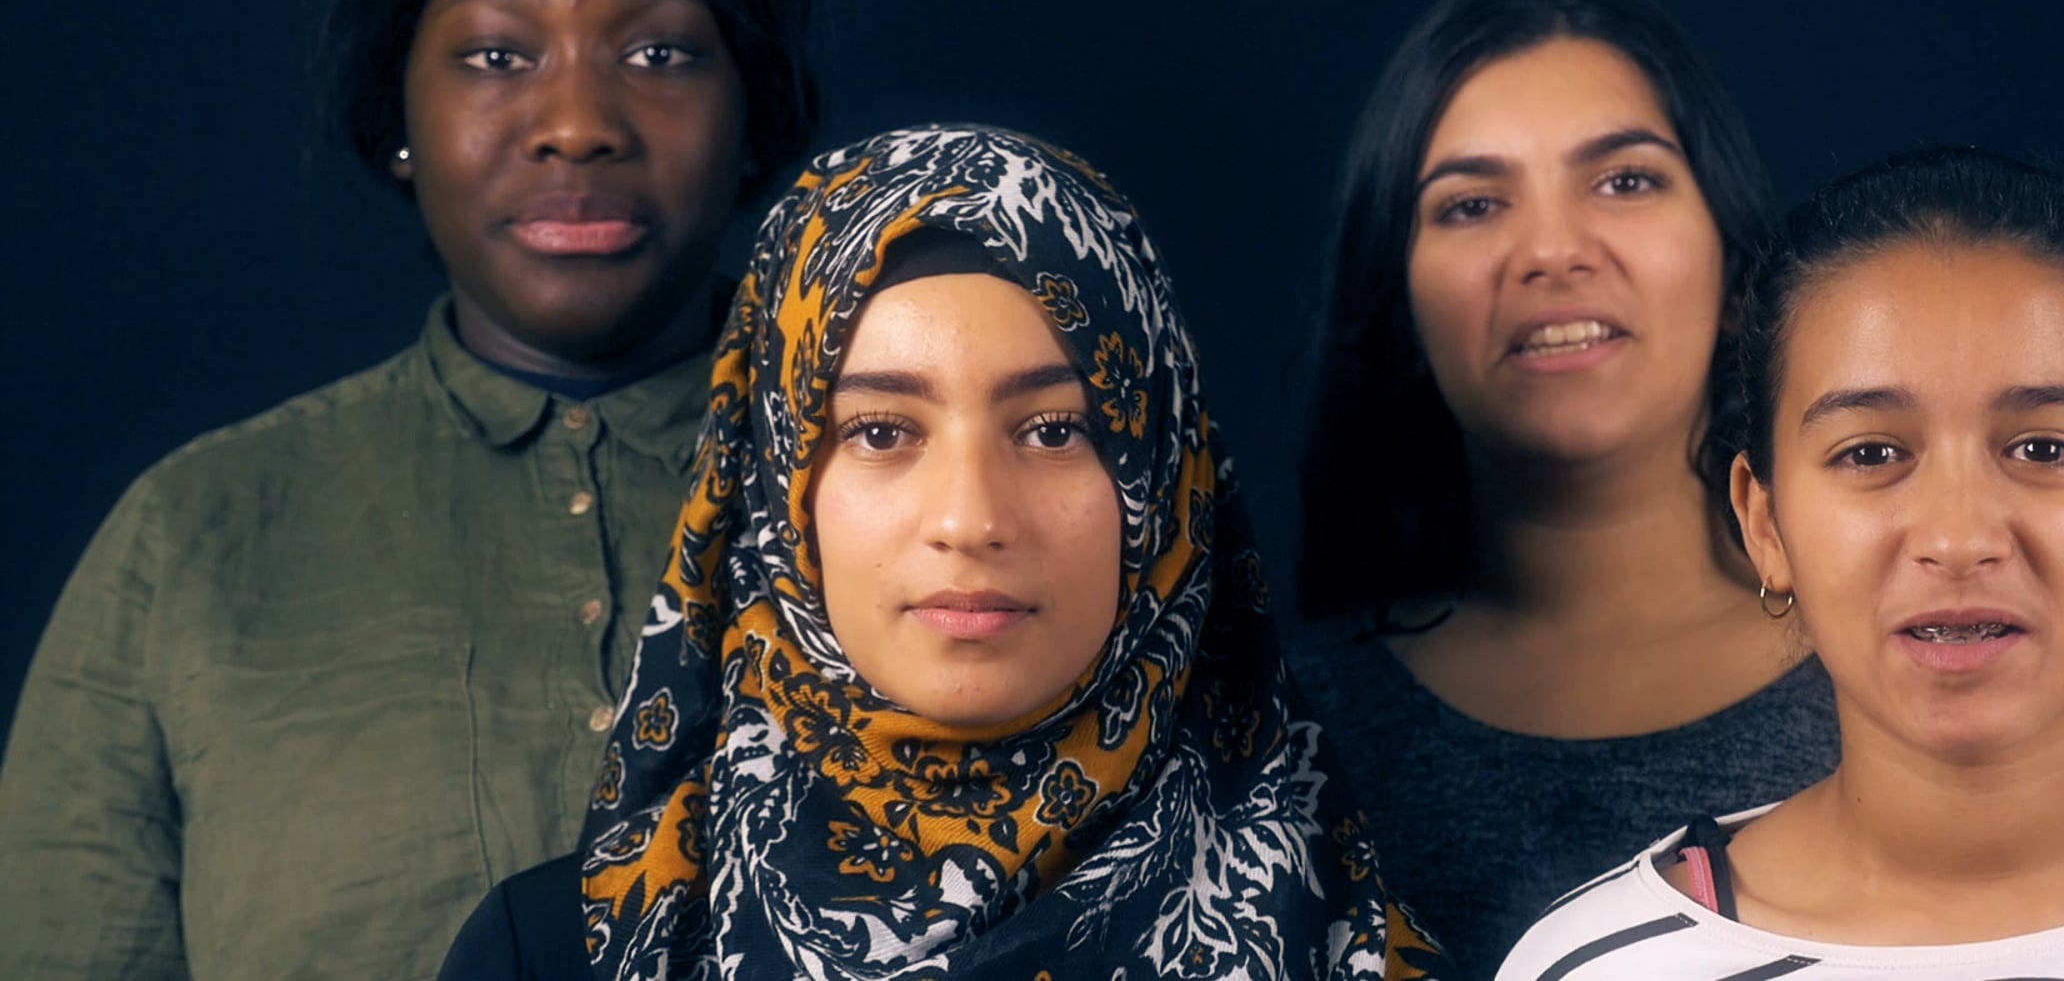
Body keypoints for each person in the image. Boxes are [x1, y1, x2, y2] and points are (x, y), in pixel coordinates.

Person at [0, 0, 816, 980]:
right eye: (497, 55)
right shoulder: (194, 538)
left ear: (754, 109)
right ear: (396, 117)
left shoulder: (924, 501)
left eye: (659, 53)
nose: (577, 124)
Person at [437, 125, 1451, 979]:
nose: (969, 519)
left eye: (1053, 430)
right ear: (776, 490)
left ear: (1159, 484)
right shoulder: (555, 953)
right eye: (880, 432)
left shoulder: (1338, 939)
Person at [1500, 147, 2064, 978]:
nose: (1960, 538)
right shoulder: (1592, 967)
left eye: (2043, 450)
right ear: (1764, 523)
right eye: (1871, 453)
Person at [1283, 0, 1839, 973]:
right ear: (1399, 303)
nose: (1551, 250)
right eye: (1471, 205)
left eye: (1625, 181)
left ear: (1733, 262)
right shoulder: (1284, 729)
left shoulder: (1893, 668)